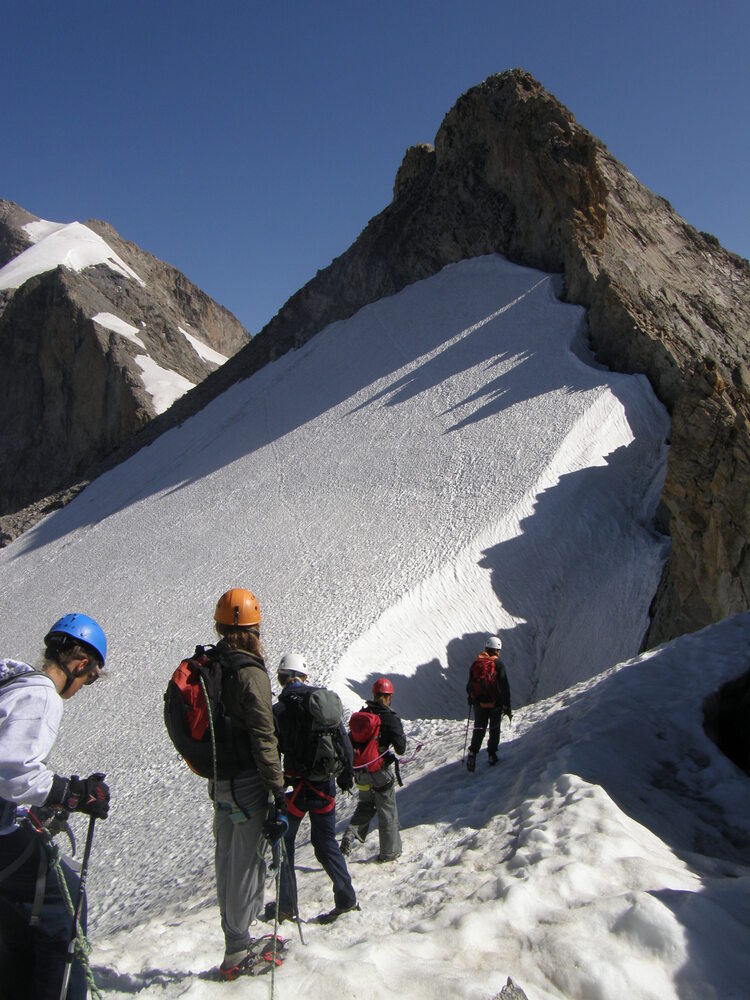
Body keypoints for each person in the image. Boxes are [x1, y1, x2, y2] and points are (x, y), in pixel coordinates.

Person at [0, 613, 110, 1000]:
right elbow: (13, 770)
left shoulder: (14, 683)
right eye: (92, 675)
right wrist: (73, 792)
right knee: (67, 901)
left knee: (16, 917)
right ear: (81, 662)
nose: (87, 683)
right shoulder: (42, 694)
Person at [204, 588, 287, 980]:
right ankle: (238, 948)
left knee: (227, 859)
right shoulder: (249, 670)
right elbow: (263, 734)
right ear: (254, 629)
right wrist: (277, 787)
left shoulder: (212, 664)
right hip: (247, 781)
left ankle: (234, 938)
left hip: (221, 780)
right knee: (246, 863)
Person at [272, 654, 358, 924]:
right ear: (303, 677)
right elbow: (342, 740)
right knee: (326, 844)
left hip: (296, 789)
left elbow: (273, 751)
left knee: (284, 845)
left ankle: (286, 907)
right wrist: (347, 773)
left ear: (282, 678)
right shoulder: (322, 703)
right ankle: (346, 899)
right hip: (325, 787)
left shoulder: (279, 711)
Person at [340, 677, 406, 862]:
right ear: (389, 696)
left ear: (374, 694)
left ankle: (350, 834)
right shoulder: (389, 718)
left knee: (366, 804)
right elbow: (401, 748)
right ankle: (390, 852)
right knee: (386, 809)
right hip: (379, 771)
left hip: (361, 774)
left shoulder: (362, 714)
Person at [466, 635, 512, 772]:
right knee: (494, 728)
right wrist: (507, 705)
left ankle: (473, 753)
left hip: (479, 703)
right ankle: (492, 754)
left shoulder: (476, 663)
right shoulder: (498, 665)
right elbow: (504, 687)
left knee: (479, 728)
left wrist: (471, 699)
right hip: (495, 703)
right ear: (497, 650)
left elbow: (469, 685)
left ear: (486, 647)